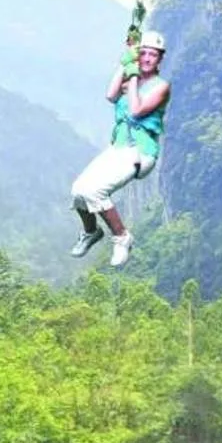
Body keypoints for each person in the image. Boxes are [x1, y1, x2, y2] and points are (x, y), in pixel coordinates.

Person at [69, 33, 170, 267]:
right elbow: (111, 95)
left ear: (159, 59)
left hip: (140, 152)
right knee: (78, 191)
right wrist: (125, 62)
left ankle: (122, 237)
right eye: (143, 53)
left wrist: (133, 72)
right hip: (118, 147)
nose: (146, 58)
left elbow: (136, 109)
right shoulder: (130, 81)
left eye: (152, 55)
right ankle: (91, 232)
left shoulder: (161, 87)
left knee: (94, 192)